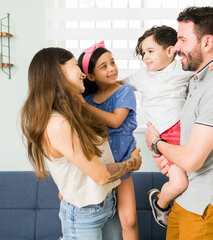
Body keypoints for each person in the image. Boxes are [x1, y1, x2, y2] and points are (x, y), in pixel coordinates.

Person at [123, 25, 213, 237]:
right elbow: (117, 86)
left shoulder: (181, 70)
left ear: (169, 51)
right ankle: (160, 204)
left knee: (202, 171)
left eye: (150, 51)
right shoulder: (141, 77)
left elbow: (210, 67)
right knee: (180, 182)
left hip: (186, 135)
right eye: (143, 53)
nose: (145, 57)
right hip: (164, 139)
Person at [20, 47, 142, 240]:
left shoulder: (77, 111)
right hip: (85, 216)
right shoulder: (58, 124)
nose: (83, 73)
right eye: (76, 66)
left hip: (107, 204)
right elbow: (101, 175)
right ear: (57, 73)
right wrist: (132, 163)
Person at [145, 6, 213, 240]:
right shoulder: (197, 80)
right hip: (187, 198)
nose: (176, 46)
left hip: (205, 206)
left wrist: (156, 143)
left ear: (207, 42)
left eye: (182, 39)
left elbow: (191, 159)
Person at [78, 41, 139, 240]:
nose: (112, 68)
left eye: (112, 62)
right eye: (104, 66)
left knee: (129, 220)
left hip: (122, 161)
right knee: (97, 215)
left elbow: (115, 121)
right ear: (91, 76)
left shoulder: (124, 90)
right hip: (99, 163)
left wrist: (84, 107)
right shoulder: (87, 99)